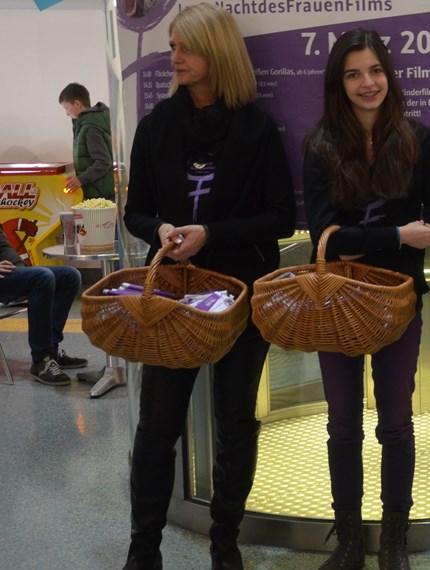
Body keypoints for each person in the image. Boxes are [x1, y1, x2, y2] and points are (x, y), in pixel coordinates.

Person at [121, 4, 296, 569]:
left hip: (240, 296)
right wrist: (163, 229)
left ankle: (226, 543)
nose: (175, 57)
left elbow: (281, 217)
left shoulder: (257, 129)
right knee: (157, 424)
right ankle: (144, 548)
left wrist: (213, 233)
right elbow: (137, 212)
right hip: (171, 297)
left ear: (216, 53)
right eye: (172, 45)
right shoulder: (156, 127)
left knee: (236, 421)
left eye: (186, 47)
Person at [302, 28, 430, 570]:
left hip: (398, 305)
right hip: (336, 305)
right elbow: (326, 237)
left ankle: (394, 540)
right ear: (338, 83)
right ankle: (348, 542)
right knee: (341, 422)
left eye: (375, 71)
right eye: (353, 74)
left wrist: (370, 240)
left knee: (395, 421)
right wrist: (395, 236)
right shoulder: (320, 147)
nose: (367, 84)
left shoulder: (420, 140)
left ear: (388, 74)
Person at [0, 136, 87, 385]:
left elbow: (2, 242)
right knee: (42, 277)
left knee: (69, 276)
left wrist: (18, 270)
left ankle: (52, 349)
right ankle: (41, 359)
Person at [58, 82, 116, 201]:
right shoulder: (91, 123)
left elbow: (103, 162)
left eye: (66, 108)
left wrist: (80, 179)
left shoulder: (90, 127)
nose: (66, 113)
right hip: (101, 191)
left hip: (99, 194)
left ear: (77, 104)